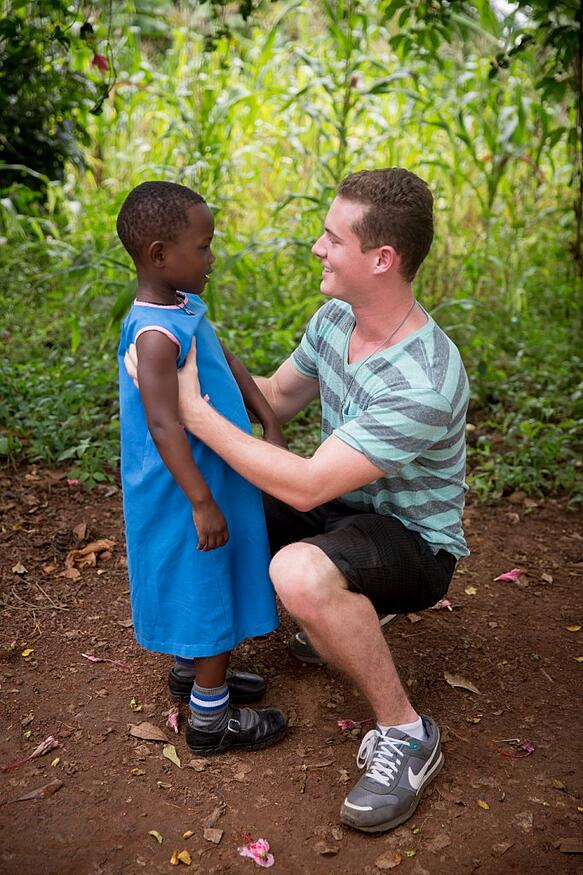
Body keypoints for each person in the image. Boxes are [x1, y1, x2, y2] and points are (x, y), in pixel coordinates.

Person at [126, 168, 469, 833]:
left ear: (380, 258)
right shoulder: (336, 317)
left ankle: (407, 733)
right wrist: (175, 373)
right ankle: (205, 642)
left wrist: (192, 415)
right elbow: (277, 397)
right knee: (224, 486)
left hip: (410, 543)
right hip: (343, 507)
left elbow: (308, 482)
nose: (316, 246)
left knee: (297, 571)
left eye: (330, 237)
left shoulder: (423, 378)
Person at [116, 180, 287, 757]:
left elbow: (224, 359)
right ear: (160, 255)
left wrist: (268, 417)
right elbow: (165, 424)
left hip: (212, 469)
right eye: (204, 247)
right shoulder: (156, 335)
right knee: (209, 582)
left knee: (205, 575)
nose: (212, 258)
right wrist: (200, 499)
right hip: (185, 481)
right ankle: (211, 719)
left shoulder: (181, 307)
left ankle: (191, 673)